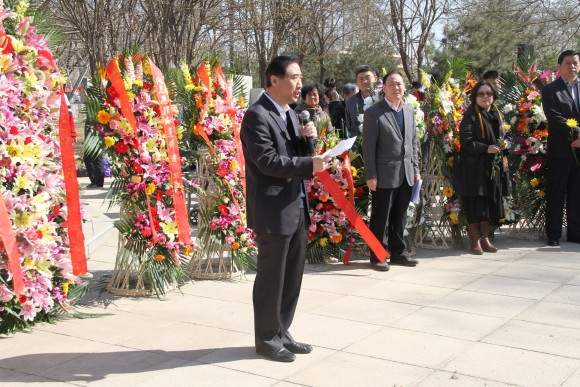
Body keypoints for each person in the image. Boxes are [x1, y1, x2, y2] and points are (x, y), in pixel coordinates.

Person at [240, 55, 330, 362]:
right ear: (274, 80)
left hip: (296, 207)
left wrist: (309, 144)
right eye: (293, 78)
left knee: (291, 277)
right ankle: (266, 339)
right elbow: (267, 162)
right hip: (272, 211)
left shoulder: (293, 114)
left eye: (301, 78)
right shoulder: (257, 116)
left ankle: (282, 331)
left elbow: (296, 156)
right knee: (271, 278)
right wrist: (308, 163)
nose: (299, 84)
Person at [363, 70, 420, 271]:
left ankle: (398, 252)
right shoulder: (374, 113)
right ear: (384, 88)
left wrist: (416, 169)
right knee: (381, 216)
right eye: (392, 84)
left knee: (400, 215)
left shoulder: (409, 110)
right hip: (383, 174)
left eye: (399, 84)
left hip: (406, 172)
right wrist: (370, 174)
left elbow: (413, 142)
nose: (396, 88)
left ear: (404, 87)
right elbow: (368, 147)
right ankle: (378, 255)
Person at [456, 80, 511, 254]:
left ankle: (485, 238)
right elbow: (466, 141)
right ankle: (474, 239)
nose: (486, 97)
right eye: (481, 93)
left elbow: (508, 134)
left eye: (489, 93)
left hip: (493, 166)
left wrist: (506, 144)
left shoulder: (498, 114)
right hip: (474, 166)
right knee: (475, 202)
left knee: (487, 203)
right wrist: (485, 148)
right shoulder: (470, 115)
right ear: (475, 97)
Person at [542, 49, 580, 246]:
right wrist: (577, 133)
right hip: (561, 151)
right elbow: (555, 118)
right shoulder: (550, 90)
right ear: (559, 66)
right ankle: (554, 234)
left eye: (575, 63)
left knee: (577, 194)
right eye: (568, 63)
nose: (572, 67)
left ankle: (575, 233)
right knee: (557, 193)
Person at [345, 65, 377, 137]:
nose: (364, 81)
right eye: (361, 79)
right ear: (357, 82)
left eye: (367, 77)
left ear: (375, 78)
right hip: (359, 145)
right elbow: (349, 126)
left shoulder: (383, 98)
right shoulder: (351, 102)